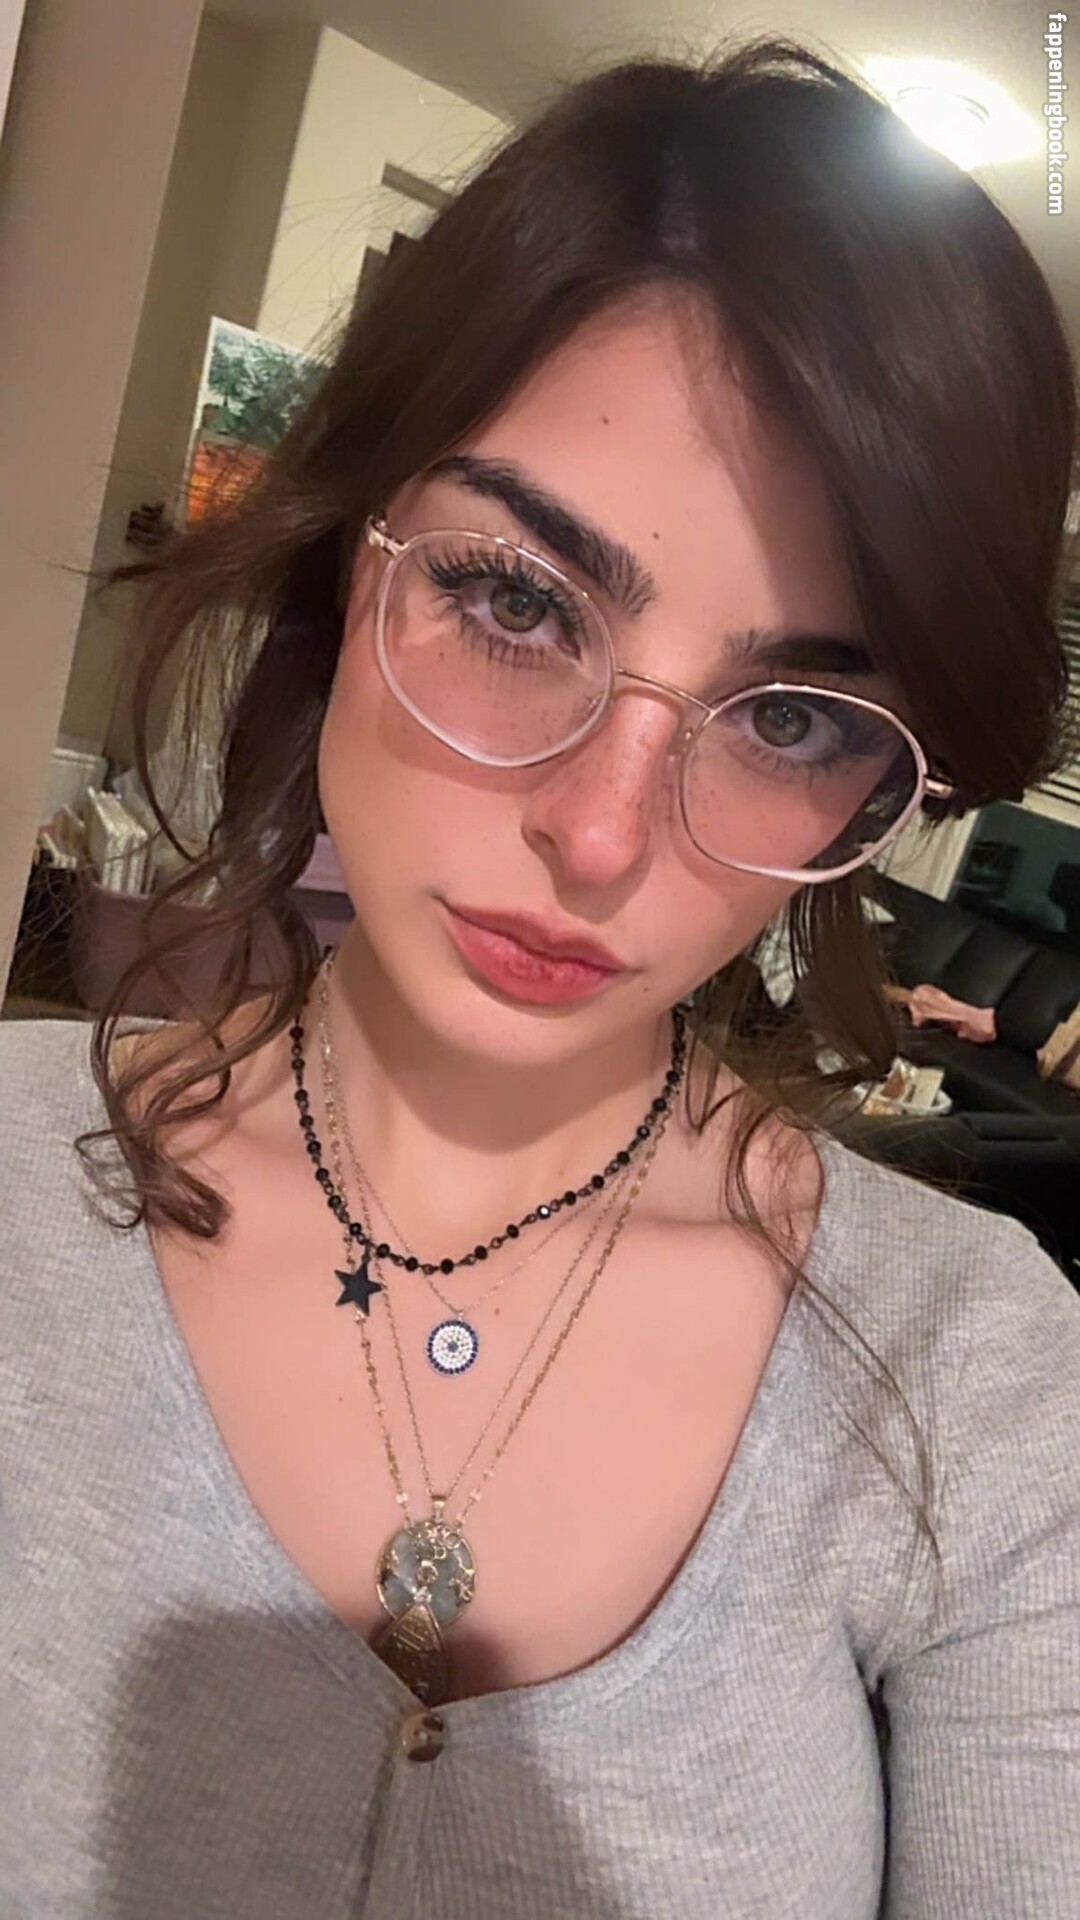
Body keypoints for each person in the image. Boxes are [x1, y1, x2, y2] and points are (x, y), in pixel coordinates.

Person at [2, 37, 1078, 1920]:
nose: (598, 832)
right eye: (516, 602)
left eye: (794, 715)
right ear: (351, 564)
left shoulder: (978, 1378)